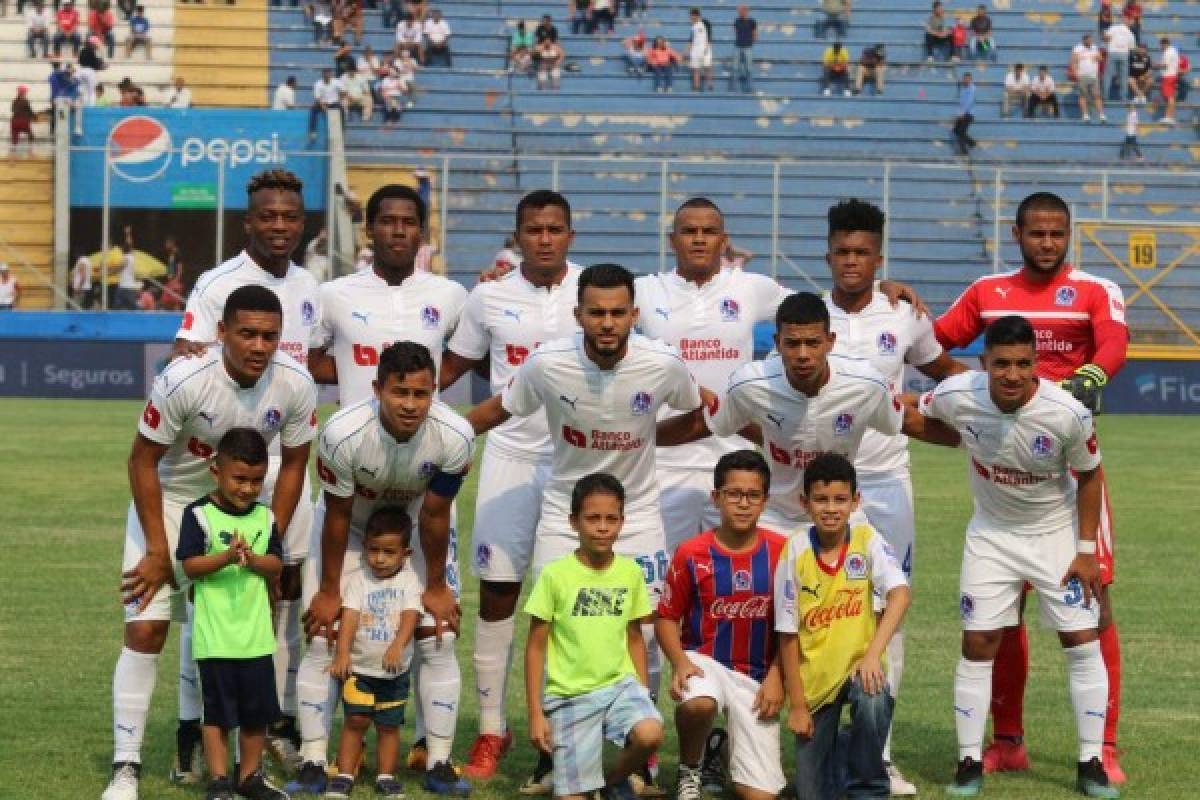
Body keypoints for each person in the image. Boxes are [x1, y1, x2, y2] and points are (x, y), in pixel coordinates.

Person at [466, 263, 703, 795]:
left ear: (634, 315)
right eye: (596, 312)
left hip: (639, 513)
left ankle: (639, 757)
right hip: (563, 511)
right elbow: (497, 411)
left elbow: (698, 414)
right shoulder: (546, 364)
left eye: (619, 312)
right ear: (577, 315)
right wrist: (442, 433)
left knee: (641, 630)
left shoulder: (662, 363)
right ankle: (554, 755)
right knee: (560, 632)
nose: (608, 322)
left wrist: (645, 438)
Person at [931, 191, 1129, 785]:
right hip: (1001, 471)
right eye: (1037, 234)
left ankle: (1105, 745)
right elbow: (932, 341)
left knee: (1094, 605)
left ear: (1069, 234)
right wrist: (971, 397)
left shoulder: (1095, 288)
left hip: (1068, 470)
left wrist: (1090, 375)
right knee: (1000, 611)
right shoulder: (987, 292)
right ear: (1017, 233)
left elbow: (1114, 341)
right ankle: (1007, 740)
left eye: (1058, 234)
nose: (1048, 243)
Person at [100, 285, 318, 800]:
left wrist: (272, 545)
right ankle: (125, 765)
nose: (258, 345)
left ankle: (224, 763)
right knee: (147, 630)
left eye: (269, 335)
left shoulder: (296, 384)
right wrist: (158, 549)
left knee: (226, 636)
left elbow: (294, 465)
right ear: (221, 332)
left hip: (243, 512)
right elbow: (141, 461)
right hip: (172, 505)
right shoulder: (184, 380)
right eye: (247, 333)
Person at [910, 315, 1119, 799]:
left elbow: (1089, 475)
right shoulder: (959, 394)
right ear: (984, 364)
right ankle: (967, 762)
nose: (1011, 374)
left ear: (1036, 365)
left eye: (1022, 364)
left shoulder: (1066, 412)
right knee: (978, 641)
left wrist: (1087, 553)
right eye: (1001, 364)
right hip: (991, 536)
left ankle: (1091, 762)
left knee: (1080, 639)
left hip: (1055, 536)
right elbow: (913, 410)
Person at [173, 170, 323, 777]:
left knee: (280, 598)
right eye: (268, 216)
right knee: (210, 604)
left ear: (303, 221)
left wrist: (275, 526)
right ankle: (194, 724)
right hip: (233, 464)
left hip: (289, 469)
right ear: (248, 222)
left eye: (290, 216)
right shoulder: (217, 285)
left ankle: (272, 724)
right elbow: (184, 356)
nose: (280, 226)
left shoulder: (312, 285)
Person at [436, 191, 582, 782]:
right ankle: (492, 729)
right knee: (497, 593)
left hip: (578, 463)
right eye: (533, 229)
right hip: (510, 457)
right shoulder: (488, 295)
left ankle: (562, 735)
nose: (544, 239)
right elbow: (449, 370)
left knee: (569, 602)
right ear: (516, 236)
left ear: (571, 234)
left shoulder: (601, 290)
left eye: (554, 229)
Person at [821, 199, 964, 795]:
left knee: (888, 612)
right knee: (809, 612)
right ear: (827, 254)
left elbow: (948, 377)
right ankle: (813, 746)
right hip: (817, 490)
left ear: (878, 257)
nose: (851, 262)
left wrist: (955, 416)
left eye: (862, 253)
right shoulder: (799, 312)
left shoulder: (903, 314)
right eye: (841, 252)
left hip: (884, 484)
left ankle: (878, 753)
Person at [294, 342, 474, 797]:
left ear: (435, 390)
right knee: (322, 634)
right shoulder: (341, 433)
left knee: (439, 634)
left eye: (421, 393)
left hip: (417, 527)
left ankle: (438, 762)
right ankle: (315, 759)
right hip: (352, 525)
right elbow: (336, 515)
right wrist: (331, 589)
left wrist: (434, 585)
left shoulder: (455, 436)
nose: (411, 405)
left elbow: (434, 515)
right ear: (377, 389)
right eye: (399, 393)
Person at [775, 452, 911, 800]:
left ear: (855, 501)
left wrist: (872, 656)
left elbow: (900, 594)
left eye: (840, 500)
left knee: (873, 697)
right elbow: (788, 633)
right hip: (815, 684)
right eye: (821, 500)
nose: (831, 509)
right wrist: (799, 705)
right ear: (804, 503)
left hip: (858, 671)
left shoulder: (867, 540)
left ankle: (869, 787)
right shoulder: (795, 550)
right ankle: (842, 748)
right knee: (812, 793)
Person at [656, 450, 788, 800]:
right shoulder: (691, 552)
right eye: (733, 494)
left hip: (757, 677)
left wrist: (778, 676)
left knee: (760, 795)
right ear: (716, 497)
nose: (743, 503)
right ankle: (690, 768)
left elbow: (793, 626)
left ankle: (723, 747)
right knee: (699, 704)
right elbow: (666, 617)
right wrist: (680, 663)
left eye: (752, 495)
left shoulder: (784, 552)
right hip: (704, 661)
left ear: (765, 501)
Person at [524, 473, 665, 800]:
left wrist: (642, 692)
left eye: (611, 519)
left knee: (650, 734)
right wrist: (535, 713)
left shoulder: (630, 572)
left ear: (622, 522)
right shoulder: (554, 575)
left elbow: (634, 638)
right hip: (571, 695)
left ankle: (610, 780)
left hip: (620, 687)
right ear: (574, 522)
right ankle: (582, 783)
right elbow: (534, 648)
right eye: (593, 518)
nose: (603, 527)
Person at [176, 428, 289, 800]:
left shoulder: (265, 518)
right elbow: (190, 566)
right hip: (216, 637)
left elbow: (275, 563)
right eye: (239, 479)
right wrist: (226, 556)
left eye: (256, 481)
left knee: (256, 715)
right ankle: (220, 780)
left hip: (255, 637)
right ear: (216, 471)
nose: (247, 489)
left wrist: (253, 560)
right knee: (218, 715)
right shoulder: (199, 515)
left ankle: (250, 778)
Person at [308, 184, 466, 408]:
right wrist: (351, 373)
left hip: (423, 438)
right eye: (387, 221)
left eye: (409, 222)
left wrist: (424, 381)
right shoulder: (332, 294)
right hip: (355, 438)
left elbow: (468, 356)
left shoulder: (451, 294)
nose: (399, 231)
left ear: (421, 232)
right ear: (369, 229)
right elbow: (311, 364)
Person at [325, 506, 423, 800]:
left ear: (405, 554)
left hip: (394, 673)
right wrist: (342, 653)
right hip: (360, 671)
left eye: (389, 552)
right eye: (374, 550)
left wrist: (397, 646)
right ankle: (344, 774)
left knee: (388, 727)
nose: (379, 559)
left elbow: (410, 616)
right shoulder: (359, 581)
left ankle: (386, 776)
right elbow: (350, 618)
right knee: (354, 722)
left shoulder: (409, 582)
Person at [1072, 34, 1106, 122]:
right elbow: (1073, 62)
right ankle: (1085, 115)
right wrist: (1076, 74)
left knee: (1097, 96)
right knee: (1082, 96)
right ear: (1084, 40)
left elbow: (1101, 59)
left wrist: (1098, 57)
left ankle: (1101, 115)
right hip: (1082, 76)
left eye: (1091, 40)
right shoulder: (1077, 49)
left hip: (1093, 76)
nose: (1091, 42)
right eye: (1089, 40)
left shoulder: (1095, 48)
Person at [1102, 18, 1135, 100]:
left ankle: (1105, 96)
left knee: (1108, 75)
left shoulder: (1114, 28)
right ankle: (1123, 96)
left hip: (1112, 52)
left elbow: (1105, 38)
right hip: (1124, 53)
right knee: (1123, 76)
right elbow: (1132, 48)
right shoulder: (1130, 33)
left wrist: (1107, 41)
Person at [308, 68, 342, 141]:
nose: (327, 75)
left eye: (328, 74)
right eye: (325, 74)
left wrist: (340, 99)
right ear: (322, 75)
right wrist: (323, 106)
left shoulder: (336, 82)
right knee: (313, 110)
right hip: (322, 103)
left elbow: (344, 92)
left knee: (341, 109)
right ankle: (312, 131)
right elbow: (317, 98)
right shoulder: (318, 83)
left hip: (334, 103)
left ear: (331, 74)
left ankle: (341, 129)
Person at [730, 4, 756, 92]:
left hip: (747, 47)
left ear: (746, 11)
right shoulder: (736, 21)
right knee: (734, 67)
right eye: (739, 11)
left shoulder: (752, 21)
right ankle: (733, 88)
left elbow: (754, 34)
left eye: (742, 10)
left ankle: (750, 87)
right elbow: (735, 31)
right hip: (738, 46)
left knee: (749, 68)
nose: (740, 12)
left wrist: (750, 42)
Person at [688, 8, 713, 92]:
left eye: (692, 16)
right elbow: (691, 40)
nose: (691, 18)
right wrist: (687, 51)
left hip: (705, 49)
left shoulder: (706, 23)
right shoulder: (693, 26)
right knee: (696, 69)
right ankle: (696, 87)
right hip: (695, 51)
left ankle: (710, 86)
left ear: (697, 15)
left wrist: (707, 47)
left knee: (707, 68)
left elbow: (709, 36)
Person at [1157, 36, 1180, 124]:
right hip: (1173, 75)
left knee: (1170, 97)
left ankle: (1168, 117)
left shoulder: (1167, 52)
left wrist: (1156, 65)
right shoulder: (1174, 51)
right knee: (1171, 97)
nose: (1161, 47)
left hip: (1168, 76)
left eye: (1161, 45)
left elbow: (1165, 65)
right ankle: (1170, 116)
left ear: (1164, 44)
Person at [953, 72, 976, 155]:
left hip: (967, 114)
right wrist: (958, 113)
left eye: (967, 79)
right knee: (956, 130)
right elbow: (961, 103)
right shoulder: (964, 88)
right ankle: (972, 143)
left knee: (961, 132)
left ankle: (964, 151)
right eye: (964, 79)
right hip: (962, 113)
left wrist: (962, 113)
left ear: (971, 80)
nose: (966, 80)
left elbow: (968, 102)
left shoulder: (972, 89)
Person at [9, 87, 35, 157]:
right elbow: (30, 111)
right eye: (25, 92)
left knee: (14, 139)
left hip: (14, 121)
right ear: (24, 93)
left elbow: (12, 110)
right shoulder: (25, 101)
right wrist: (35, 117)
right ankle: (30, 152)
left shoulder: (14, 101)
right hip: (23, 121)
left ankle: (13, 154)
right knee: (31, 135)